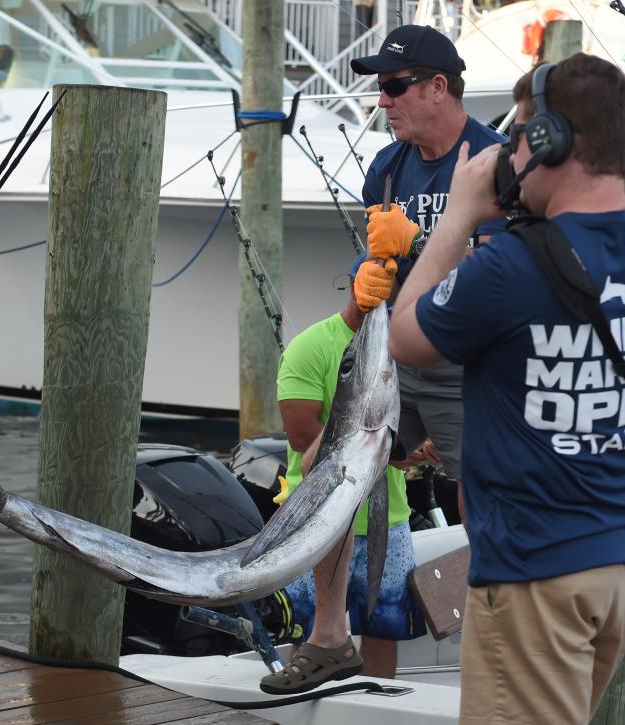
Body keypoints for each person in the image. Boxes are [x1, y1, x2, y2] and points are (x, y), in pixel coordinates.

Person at [389, 53, 625, 724]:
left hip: (533, 572)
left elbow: (404, 335)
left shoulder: (511, 265)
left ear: (551, 140)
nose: (507, 152)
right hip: (615, 558)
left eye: (518, 135)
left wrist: (460, 213)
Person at [350, 24, 508, 524]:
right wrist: (364, 276)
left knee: (481, 491)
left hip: (468, 364)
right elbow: (377, 254)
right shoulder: (386, 168)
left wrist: (417, 240)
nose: (382, 101)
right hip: (396, 358)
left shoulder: (495, 161)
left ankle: (486, 597)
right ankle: (334, 603)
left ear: (438, 87)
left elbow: (501, 274)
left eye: (393, 85)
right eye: (380, 88)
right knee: (341, 469)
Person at [259, 257, 433, 694]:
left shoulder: (404, 348)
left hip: (387, 517)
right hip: (317, 518)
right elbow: (302, 438)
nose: (382, 296)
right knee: (306, 631)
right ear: (354, 283)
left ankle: (375, 711)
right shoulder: (310, 346)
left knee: (385, 625)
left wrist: (414, 448)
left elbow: (413, 422)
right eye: (374, 284)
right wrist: (387, 452)